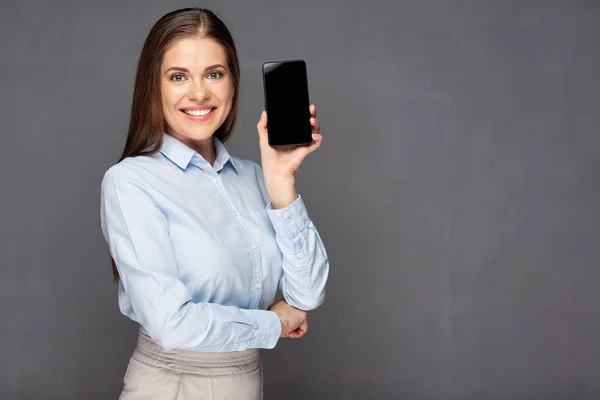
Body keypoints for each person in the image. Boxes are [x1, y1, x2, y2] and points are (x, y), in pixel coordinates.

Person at [99, 7, 330, 400]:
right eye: (178, 77)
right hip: (174, 386)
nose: (199, 93)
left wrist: (281, 181)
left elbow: (307, 294)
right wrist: (271, 324)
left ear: (233, 84)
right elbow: (172, 324)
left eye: (214, 74)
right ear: (153, 87)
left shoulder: (254, 178)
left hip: (246, 383)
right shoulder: (131, 182)